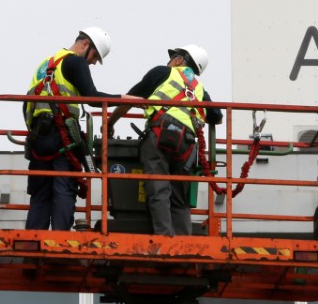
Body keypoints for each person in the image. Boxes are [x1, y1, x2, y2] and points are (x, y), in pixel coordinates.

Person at [24, 27, 133, 231]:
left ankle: (33, 240)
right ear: (85, 44)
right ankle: (60, 239)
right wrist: (122, 99)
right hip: (61, 137)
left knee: (40, 194)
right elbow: (91, 97)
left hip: (39, 137)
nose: (93, 62)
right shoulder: (75, 61)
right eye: (94, 56)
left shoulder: (46, 64)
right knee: (64, 189)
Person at [107, 45, 223, 236]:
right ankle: (183, 242)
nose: (169, 61)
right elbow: (217, 117)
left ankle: (164, 238)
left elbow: (130, 99)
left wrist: (110, 123)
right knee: (180, 197)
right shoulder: (199, 89)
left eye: (172, 58)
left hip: (162, 134)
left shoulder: (163, 72)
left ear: (179, 60)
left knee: (158, 187)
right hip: (187, 144)